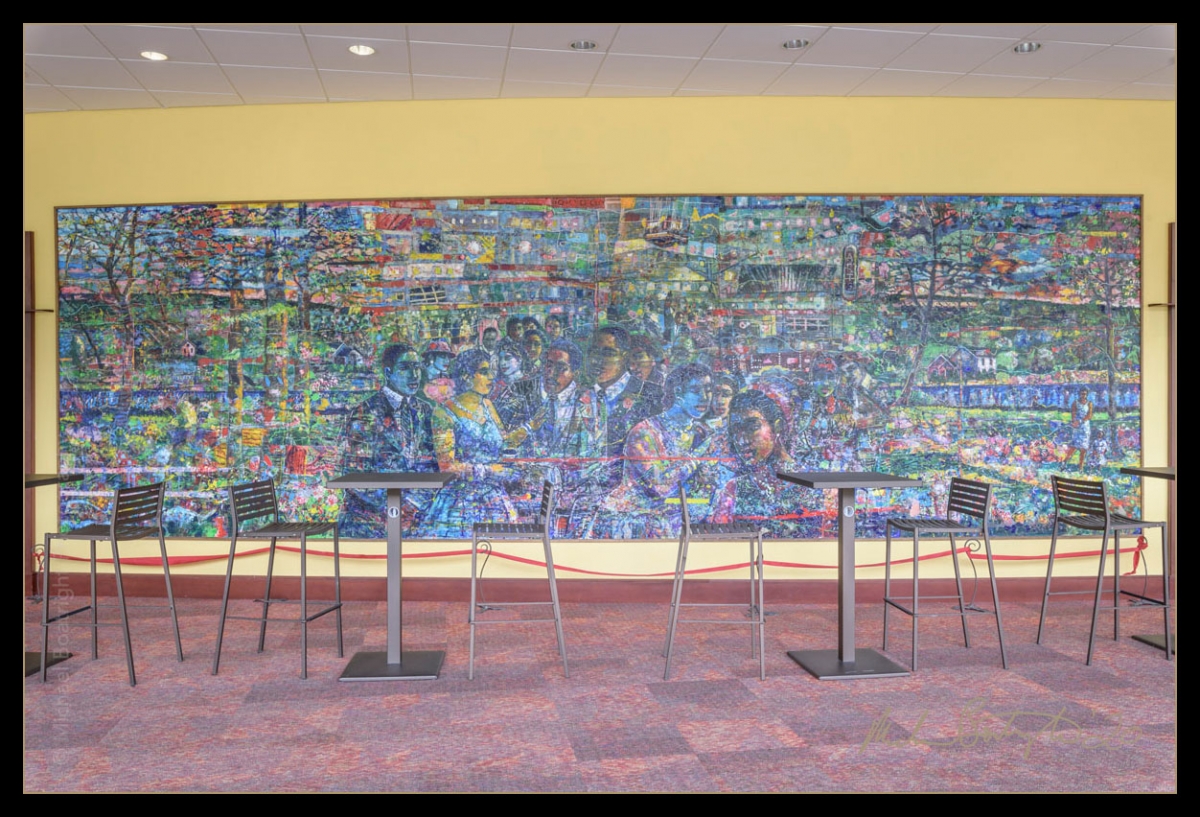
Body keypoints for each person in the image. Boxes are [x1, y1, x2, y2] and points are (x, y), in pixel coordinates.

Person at [583, 363, 720, 538]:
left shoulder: (704, 434)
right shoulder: (645, 432)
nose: (705, 397)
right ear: (678, 392)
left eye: (708, 390)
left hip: (678, 521)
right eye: (695, 390)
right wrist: (696, 458)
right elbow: (660, 487)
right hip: (632, 521)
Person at [416, 350, 527, 538]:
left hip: (494, 498)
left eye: (491, 371)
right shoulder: (444, 413)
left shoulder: (488, 405)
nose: (491, 377)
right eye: (484, 372)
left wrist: (529, 429)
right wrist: (490, 471)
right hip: (460, 502)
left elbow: (504, 443)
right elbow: (447, 467)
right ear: (466, 376)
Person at [341, 343, 438, 536]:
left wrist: (413, 504)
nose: (414, 375)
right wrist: (392, 507)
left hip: (413, 519)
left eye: (417, 367)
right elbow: (354, 474)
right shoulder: (365, 411)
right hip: (369, 522)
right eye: (404, 368)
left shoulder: (423, 409)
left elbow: (430, 464)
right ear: (388, 372)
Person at [710, 388, 815, 537]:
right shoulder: (734, 489)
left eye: (752, 427)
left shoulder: (814, 484)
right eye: (735, 430)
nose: (742, 440)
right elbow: (719, 540)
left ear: (777, 427)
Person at [1063, 387, 1094, 468]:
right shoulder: (1075, 403)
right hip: (1077, 427)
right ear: (1079, 394)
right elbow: (1073, 414)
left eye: (1085, 394)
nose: (1083, 395)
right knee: (1074, 446)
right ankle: (1064, 462)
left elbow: (1089, 415)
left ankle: (1080, 467)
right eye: (1082, 394)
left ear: (1087, 394)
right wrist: (1074, 422)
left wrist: (1081, 421)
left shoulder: (1089, 403)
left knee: (1084, 449)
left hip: (1085, 427)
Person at [421, 338, 456, 404]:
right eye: (443, 356)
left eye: (448, 357)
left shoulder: (445, 376)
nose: (447, 361)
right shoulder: (421, 376)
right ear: (431, 357)